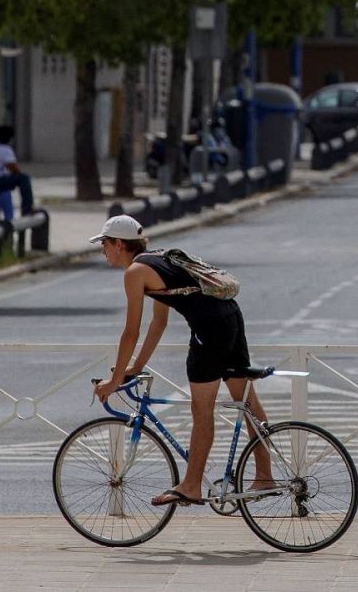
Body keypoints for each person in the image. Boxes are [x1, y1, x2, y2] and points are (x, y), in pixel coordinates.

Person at [90, 215, 272, 506]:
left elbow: (131, 331)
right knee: (245, 398)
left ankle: (191, 485)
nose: (102, 250)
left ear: (119, 243)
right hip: (229, 316)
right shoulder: (156, 260)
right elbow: (157, 324)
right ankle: (265, 476)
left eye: (104, 244)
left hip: (210, 329)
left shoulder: (135, 273)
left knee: (202, 409)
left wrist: (114, 380)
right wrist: (134, 367)